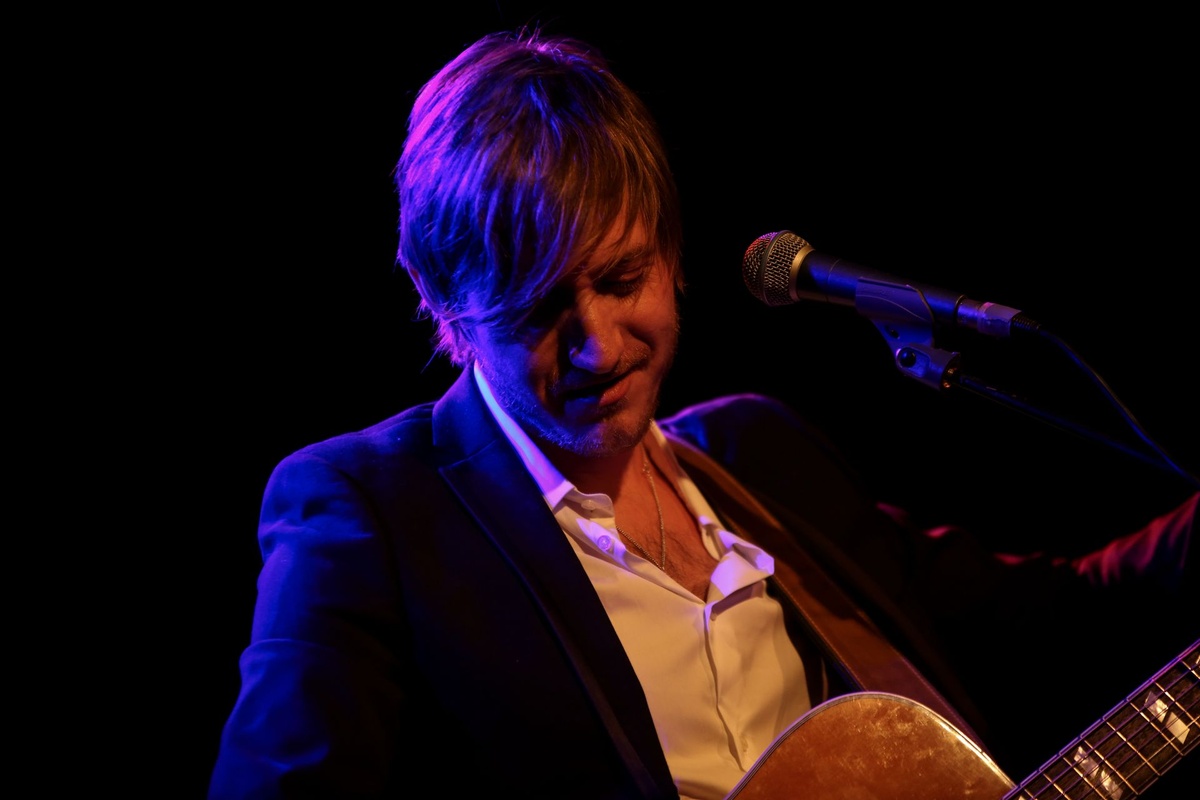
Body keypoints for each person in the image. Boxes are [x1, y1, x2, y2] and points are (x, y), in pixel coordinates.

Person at [208, 27, 1198, 800]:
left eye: (622, 279)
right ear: (450, 310)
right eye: (538, 311)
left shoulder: (759, 456)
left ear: (671, 253)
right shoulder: (370, 511)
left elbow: (1056, 614)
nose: (600, 345)